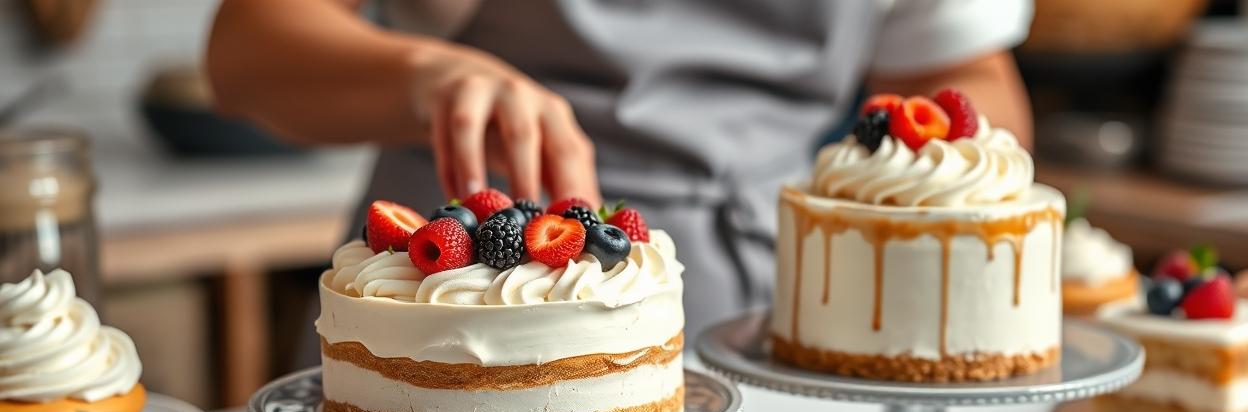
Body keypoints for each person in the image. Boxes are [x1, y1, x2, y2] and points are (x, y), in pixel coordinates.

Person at [208, 0, 1034, 336]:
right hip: (464, 303)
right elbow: (246, 49)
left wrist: (928, 165)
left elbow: (958, 79)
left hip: (781, 313)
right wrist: (430, 77)